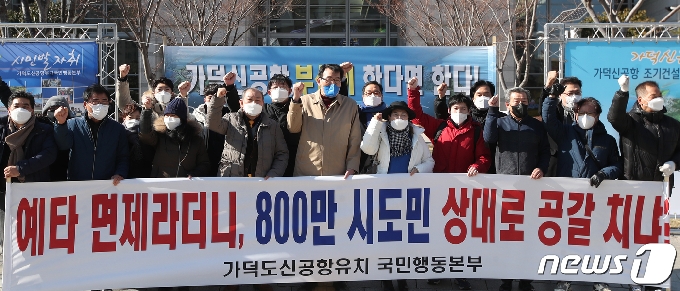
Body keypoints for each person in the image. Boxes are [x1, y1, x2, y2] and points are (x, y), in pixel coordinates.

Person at [407, 78, 490, 290]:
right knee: (436, 230)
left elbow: (484, 157)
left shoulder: (477, 130)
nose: (459, 111)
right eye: (455, 108)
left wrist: (477, 166)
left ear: (469, 110)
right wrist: (413, 91)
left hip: (465, 190)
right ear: (449, 109)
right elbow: (415, 114)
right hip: (439, 189)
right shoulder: (440, 126)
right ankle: (436, 268)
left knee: (461, 232)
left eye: (463, 108)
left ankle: (459, 272)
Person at [543, 95, 621, 291]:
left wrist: (604, 173)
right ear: (575, 114)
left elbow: (617, 165)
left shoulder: (608, 140)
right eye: (581, 113)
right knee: (568, 238)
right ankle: (565, 278)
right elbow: (548, 119)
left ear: (598, 115)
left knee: (596, 239)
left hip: (596, 198)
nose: (585, 116)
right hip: (570, 198)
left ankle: (598, 278)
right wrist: (551, 97)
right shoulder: (565, 133)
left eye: (590, 113)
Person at [360, 100, 433, 291]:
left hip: (408, 195)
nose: (399, 119)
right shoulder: (381, 132)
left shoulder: (416, 135)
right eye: (395, 115)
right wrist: (375, 124)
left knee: (403, 240)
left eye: (403, 116)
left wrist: (419, 168)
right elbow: (367, 149)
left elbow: (429, 160)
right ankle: (386, 279)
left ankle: (401, 278)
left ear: (408, 119)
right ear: (389, 117)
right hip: (384, 193)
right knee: (384, 238)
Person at [484, 87, 549, 291]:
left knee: (528, 236)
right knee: (508, 236)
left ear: (529, 103)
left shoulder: (537, 126)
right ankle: (506, 279)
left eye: (523, 101)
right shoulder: (499, 122)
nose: (520, 104)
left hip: (531, 188)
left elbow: (546, 152)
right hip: (506, 189)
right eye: (515, 101)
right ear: (507, 104)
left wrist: (541, 168)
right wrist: (492, 111)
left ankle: (526, 279)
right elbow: (488, 139)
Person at [288, 63, 362, 179]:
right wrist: (296, 99)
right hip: (307, 172)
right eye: (328, 79)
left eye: (337, 80)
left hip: (338, 173)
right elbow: (293, 128)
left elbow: (355, 139)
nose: (333, 83)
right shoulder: (304, 101)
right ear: (319, 81)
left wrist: (352, 166)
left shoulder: (350, 105)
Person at [207, 79, 288, 179]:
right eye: (249, 100)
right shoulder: (230, 119)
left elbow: (282, 154)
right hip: (231, 178)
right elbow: (212, 123)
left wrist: (274, 173)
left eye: (258, 100)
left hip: (262, 181)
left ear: (263, 103)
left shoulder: (273, 125)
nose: (254, 103)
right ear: (241, 103)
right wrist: (218, 99)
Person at [54, 84, 129, 185]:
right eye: (96, 101)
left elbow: (123, 157)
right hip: (78, 184)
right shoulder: (73, 124)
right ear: (85, 104)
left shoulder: (117, 129)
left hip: (107, 185)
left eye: (104, 101)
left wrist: (120, 173)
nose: (100, 105)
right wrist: (61, 124)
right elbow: (63, 145)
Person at [139, 97, 209, 179]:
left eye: (173, 115)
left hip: (186, 186)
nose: (169, 119)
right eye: (167, 115)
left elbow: (204, 163)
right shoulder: (159, 135)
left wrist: (195, 174)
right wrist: (146, 110)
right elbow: (145, 136)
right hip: (160, 184)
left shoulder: (196, 140)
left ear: (182, 119)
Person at [194, 79, 241, 176]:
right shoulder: (195, 116)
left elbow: (236, 108)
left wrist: (230, 86)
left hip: (224, 161)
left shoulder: (229, 115)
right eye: (210, 97)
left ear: (223, 99)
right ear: (204, 99)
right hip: (201, 161)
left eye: (217, 97)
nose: (212, 100)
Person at [116, 64, 192, 117]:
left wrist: (183, 95)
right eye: (159, 89)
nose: (163, 92)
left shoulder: (177, 109)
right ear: (154, 93)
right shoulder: (144, 108)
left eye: (167, 89)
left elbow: (185, 117)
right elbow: (124, 105)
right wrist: (122, 79)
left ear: (172, 93)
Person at [262, 73, 299, 177]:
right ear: (269, 92)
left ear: (290, 91)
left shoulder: (298, 107)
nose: (279, 89)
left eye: (282, 87)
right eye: (275, 87)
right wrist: (230, 88)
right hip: (268, 161)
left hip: (294, 160)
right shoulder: (263, 109)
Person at [40, 96, 76, 181]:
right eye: (52, 109)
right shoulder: (38, 125)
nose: (57, 112)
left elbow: (65, 145)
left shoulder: (73, 125)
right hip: (42, 173)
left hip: (66, 173)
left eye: (60, 109)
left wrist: (61, 124)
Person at [121, 103, 152, 178]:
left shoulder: (146, 134)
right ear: (124, 118)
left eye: (138, 118)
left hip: (145, 175)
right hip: (123, 175)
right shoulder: (118, 134)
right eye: (130, 117)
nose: (134, 120)